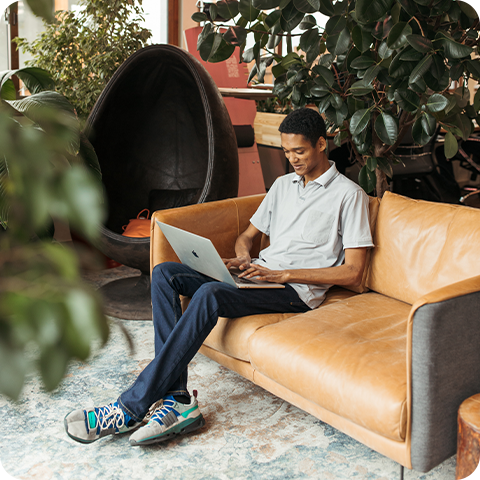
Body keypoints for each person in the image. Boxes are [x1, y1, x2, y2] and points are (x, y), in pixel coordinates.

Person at [64, 107, 374, 446]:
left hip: (294, 290)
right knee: (165, 272)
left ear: (320, 144)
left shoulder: (349, 195)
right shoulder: (284, 186)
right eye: (286, 152)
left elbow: (354, 273)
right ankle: (178, 400)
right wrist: (242, 257)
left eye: (299, 151)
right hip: (259, 275)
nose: (292, 159)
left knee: (210, 294)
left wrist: (280, 272)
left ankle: (128, 407)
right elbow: (248, 236)